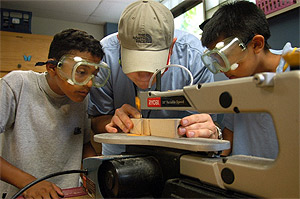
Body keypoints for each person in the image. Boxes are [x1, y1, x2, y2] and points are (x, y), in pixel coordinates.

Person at [88, 0, 220, 156]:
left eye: (153, 66)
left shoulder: (194, 56)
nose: (144, 77)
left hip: (179, 153)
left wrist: (208, 130)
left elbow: (208, 122)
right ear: (119, 44)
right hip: (120, 153)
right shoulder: (103, 58)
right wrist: (111, 122)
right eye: (135, 65)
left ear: (172, 46)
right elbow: (96, 120)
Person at [0, 29, 109, 198]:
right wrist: (29, 183)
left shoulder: (80, 99)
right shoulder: (16, 85)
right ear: (52, 68)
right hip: (20, 193)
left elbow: (84, 145)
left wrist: (99, 175)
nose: (88, 84)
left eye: (93, 75)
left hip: (67, 194)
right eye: (81, 72)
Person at [200, 0, 298, 159]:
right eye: (217, 62)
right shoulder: (237, 83)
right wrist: (211, 138)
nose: (224, 70)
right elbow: (228, 140)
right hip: (243, 177)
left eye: (226, 58)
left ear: (257, 44)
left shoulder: (294, 68)